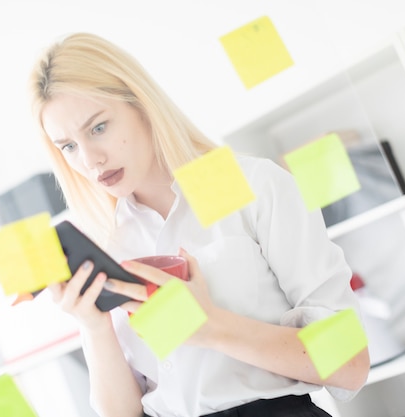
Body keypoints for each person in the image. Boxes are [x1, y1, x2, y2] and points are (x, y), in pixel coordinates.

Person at [29, 32, 370, 417]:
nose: (90, 160)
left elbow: (350, 365)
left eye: (99, 128)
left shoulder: (250, 185)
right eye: (68, 146)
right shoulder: (103, 240)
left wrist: (212, 326)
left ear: (141, 104)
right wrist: (94, 327)